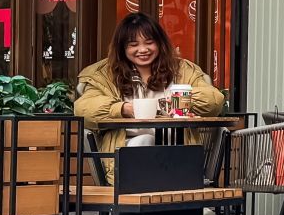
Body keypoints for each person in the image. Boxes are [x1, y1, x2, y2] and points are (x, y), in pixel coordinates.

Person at [74, 13, 226, 171]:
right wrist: (122, 109)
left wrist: (178, 103)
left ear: (160, 43)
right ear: (122, 47)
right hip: (126, 157)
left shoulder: (182, 69)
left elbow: (214, 100)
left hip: (177, 154)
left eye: (149, 42)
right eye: (133, 44)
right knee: (144, 141)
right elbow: (84, 109)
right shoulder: (104, 74)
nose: (143, 50)